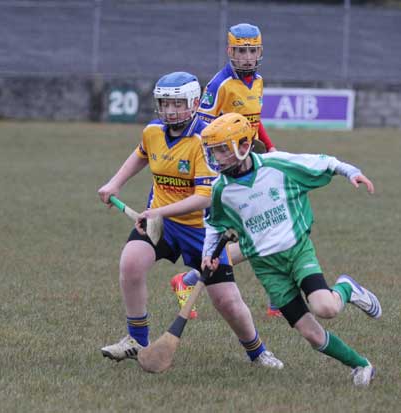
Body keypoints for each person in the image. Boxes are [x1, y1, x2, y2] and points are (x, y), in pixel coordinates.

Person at [98, 72, 283, 369]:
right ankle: (137, 339)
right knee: (131, 263)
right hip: (162, 224)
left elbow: (205, 197)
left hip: (203, 230)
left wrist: (157, 212)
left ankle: (257, 351)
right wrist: (115, 183)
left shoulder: (205, 140)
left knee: (226, 302)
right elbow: (142, 154)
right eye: (164, 103)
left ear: (195, 102)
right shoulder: (153, 131)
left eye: (177, 104)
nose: (170, 110)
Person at [200, 112, 381, 386]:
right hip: (267, 269)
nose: (217, 157)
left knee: (325, 308)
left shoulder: (277, 164)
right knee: (312, 335)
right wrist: (208, 255)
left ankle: (346, 288)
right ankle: (361, 365)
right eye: (213, 151)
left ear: (244, 146)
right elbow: (213, 225)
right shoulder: (220, 190)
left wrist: (351, 172)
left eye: (223, 149)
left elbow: (324, 162)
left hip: (297, 252)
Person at [172, 23, 282, 318]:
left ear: (260, 51)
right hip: (227, 169)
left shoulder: (257, 81)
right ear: (229, 51)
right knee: (260, 228)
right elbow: (202, 127)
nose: (247, 57)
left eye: (252, 51)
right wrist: (220, 158)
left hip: (248, 162)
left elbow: (254, 122)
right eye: (241, 51)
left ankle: (275, 299)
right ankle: (191, 279)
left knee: (268, 224)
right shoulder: (220, 84)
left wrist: (269, 148)